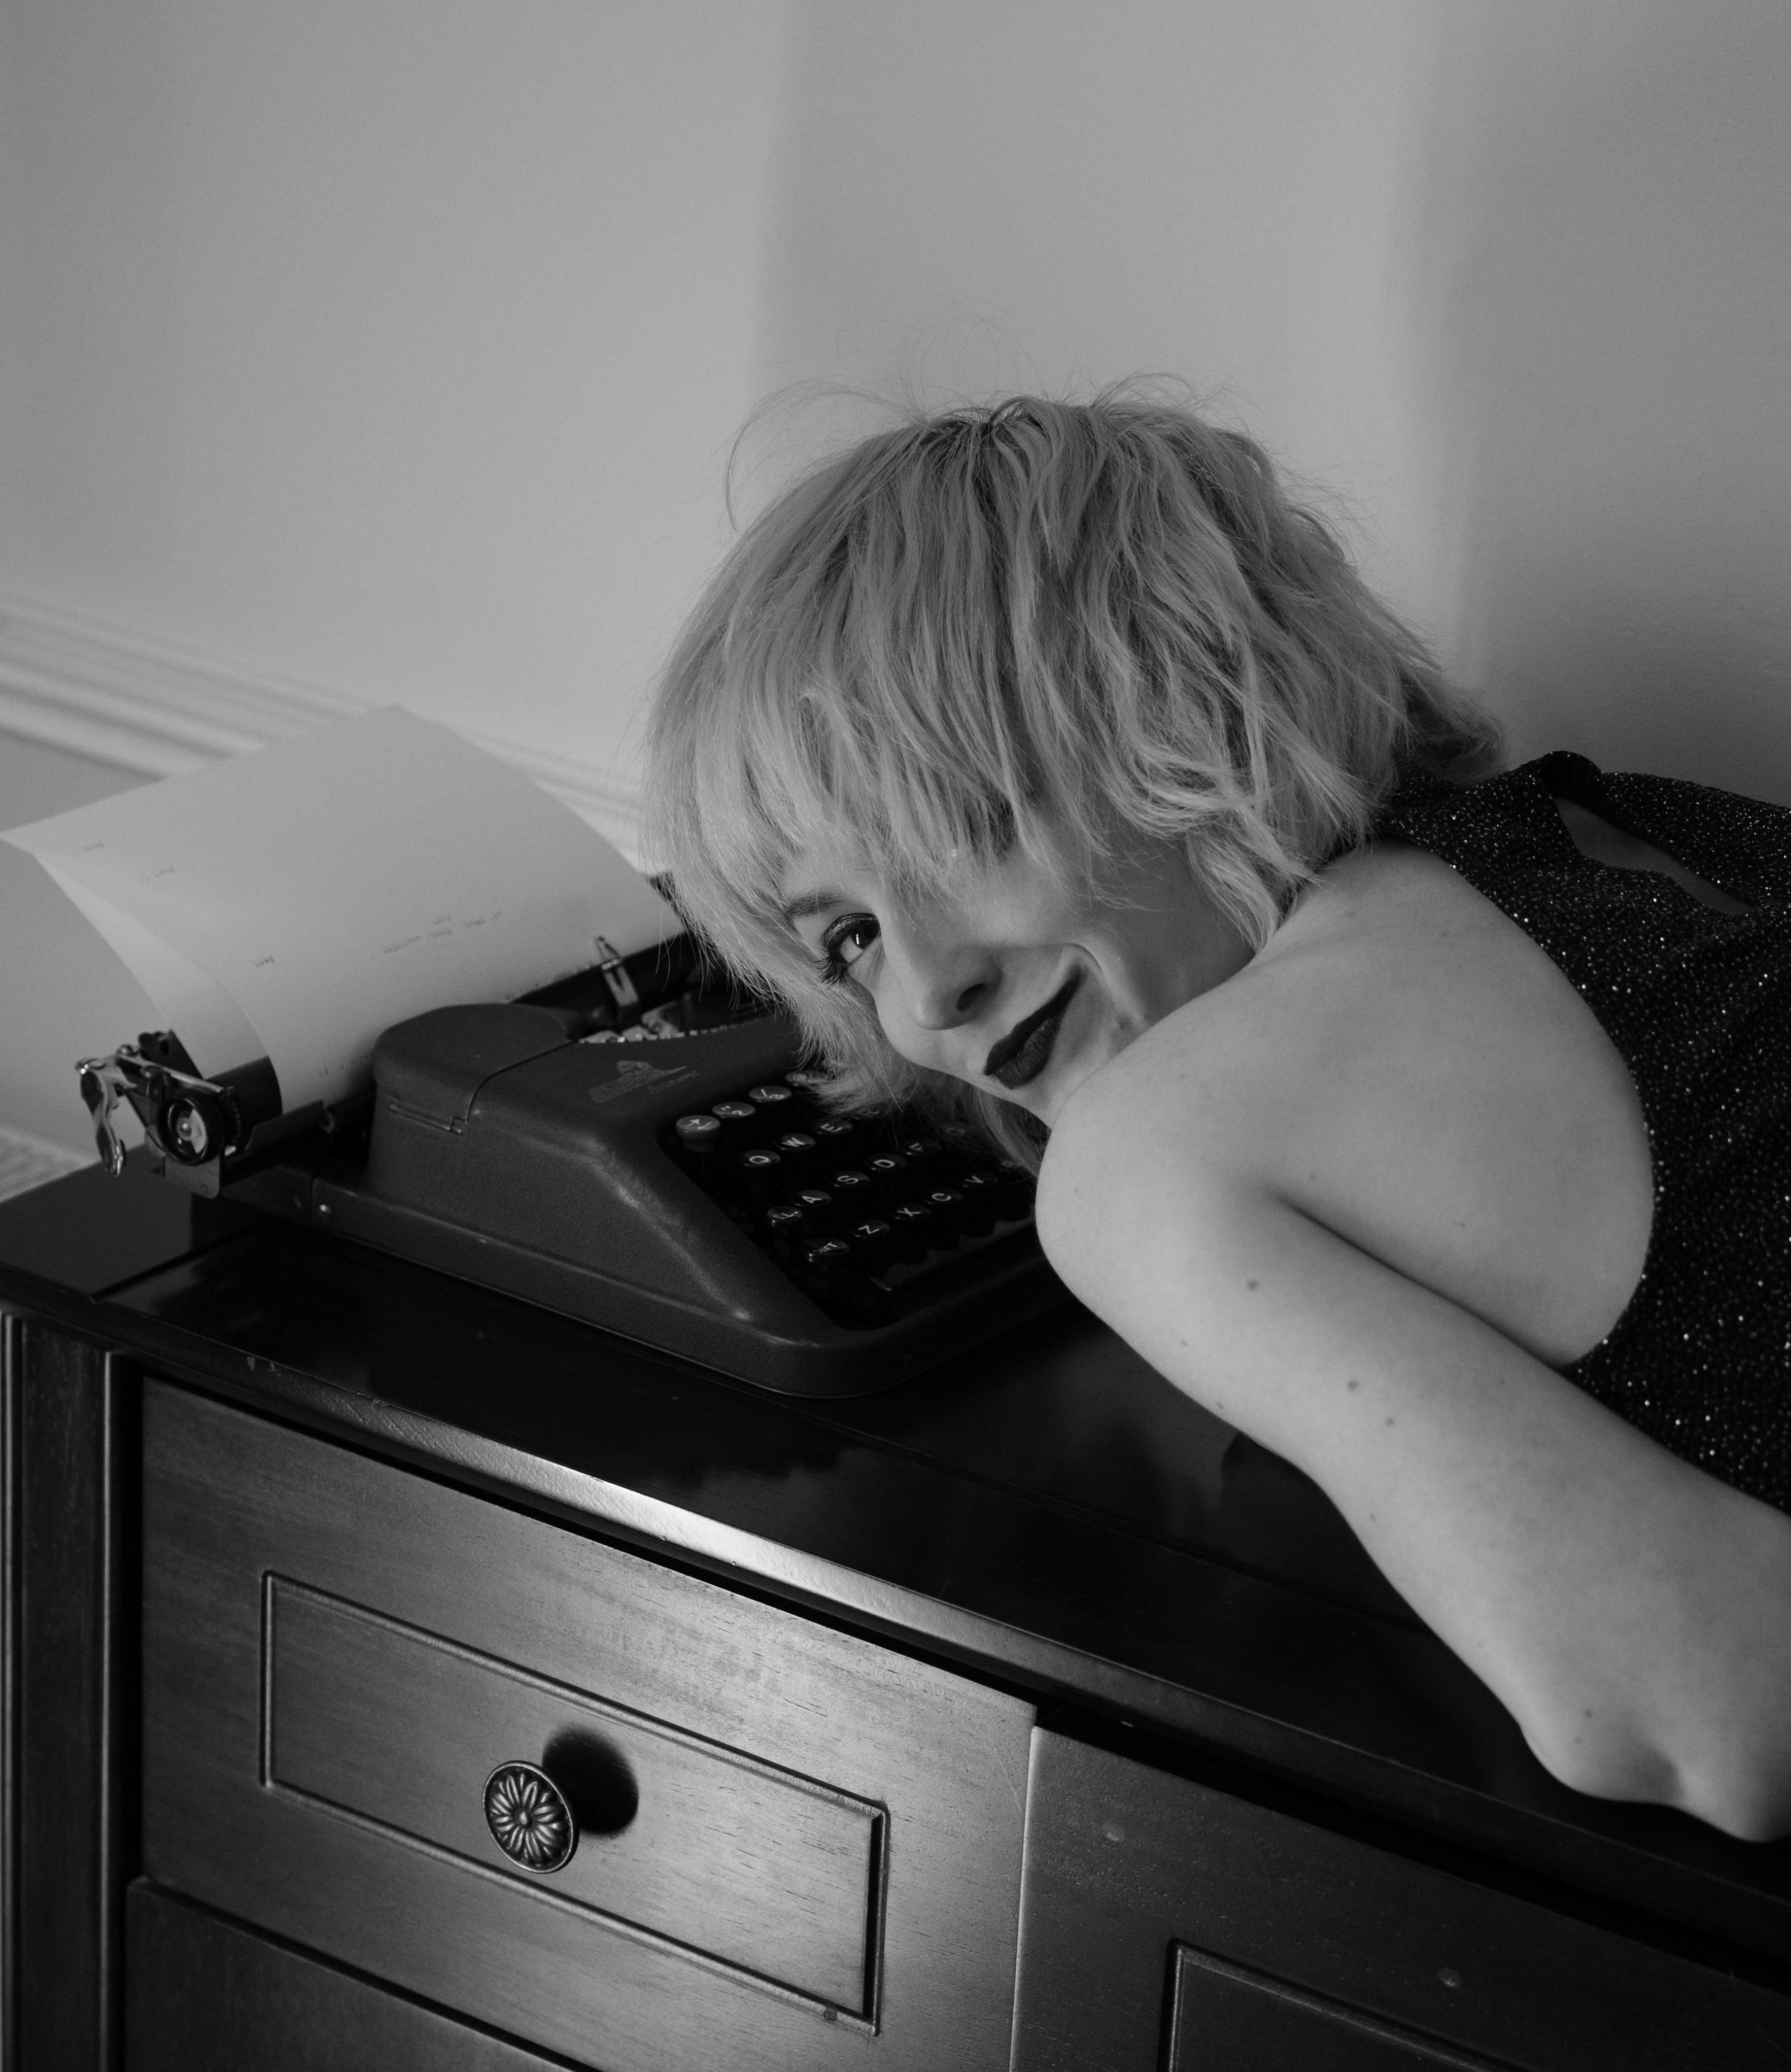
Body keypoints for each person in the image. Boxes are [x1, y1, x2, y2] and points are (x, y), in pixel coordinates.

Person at [644, 387, 1791, 1840]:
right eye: (849, 937)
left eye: (958, 830)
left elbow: (1719, 1720)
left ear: (1182, 704)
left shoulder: (1149, 1155)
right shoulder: (1621, 829)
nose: (925, 994)